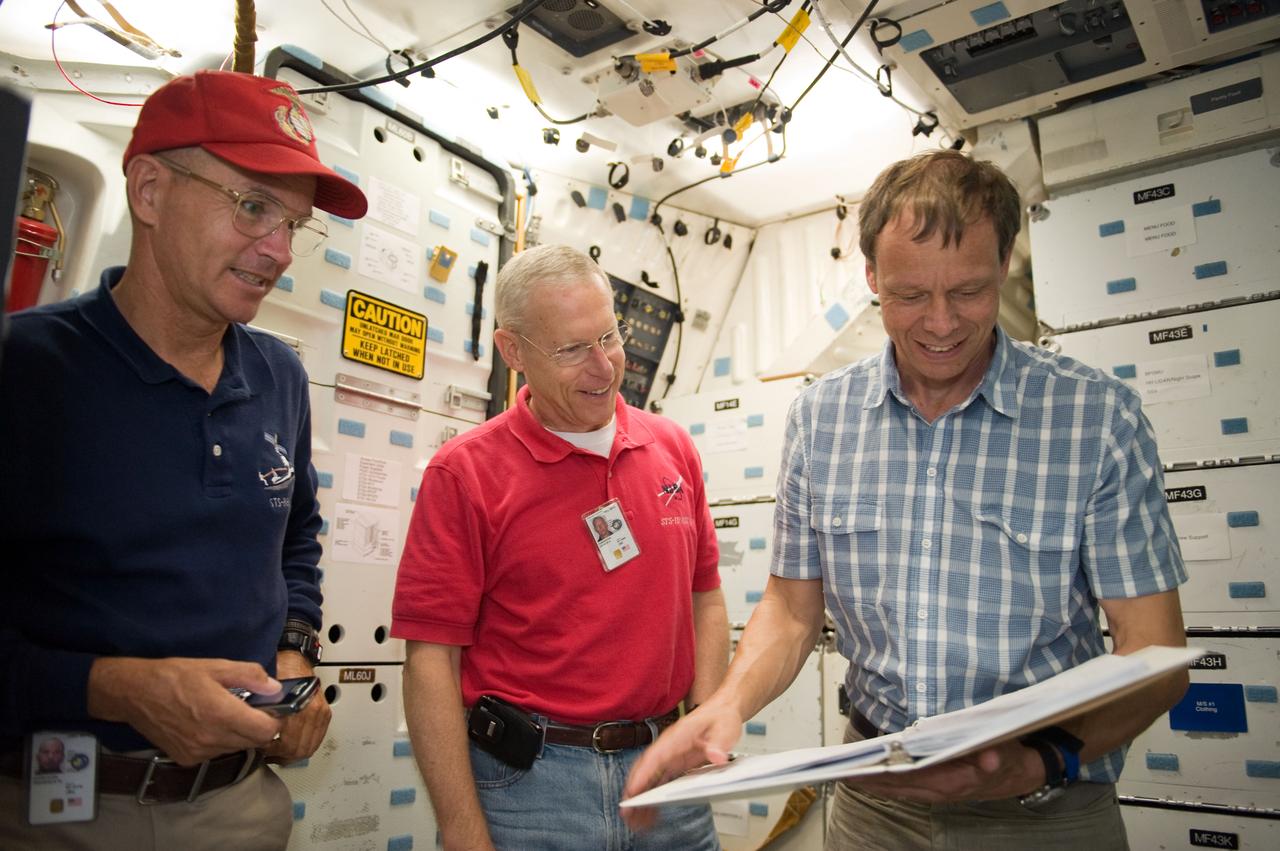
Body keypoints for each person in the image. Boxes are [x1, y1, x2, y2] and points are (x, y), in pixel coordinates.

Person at [625, 150, 1189, 850]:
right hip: (874, 805)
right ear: (871, 276)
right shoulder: (821, 417)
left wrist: (1039, 760)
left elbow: (1156, 651)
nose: (942, 323)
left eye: (970, 291)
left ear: (1007, 260)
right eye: (911, 295)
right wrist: (725, 706)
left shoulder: (1096, 418)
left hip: (1044, 807)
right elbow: (793, 610)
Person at [0, 70, 367, 850]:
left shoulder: (281, 376)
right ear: (151, 191)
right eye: (253, 206)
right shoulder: (26, 368)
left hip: (242, 807)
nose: (277, 250)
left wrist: (295, 653)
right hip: (59, 808)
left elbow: (295, 537)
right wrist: (116, 688)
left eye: (294, 224)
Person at [392, 244, 729, 851]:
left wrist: (703, 724)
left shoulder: (673, 448)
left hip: (667, 773)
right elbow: (430, 663)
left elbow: (706, 598)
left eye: (609, 337)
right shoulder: (465, 475)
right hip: (530, 789)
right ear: (513, 351)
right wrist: (463, 831)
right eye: (573, 350)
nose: (604, 368)